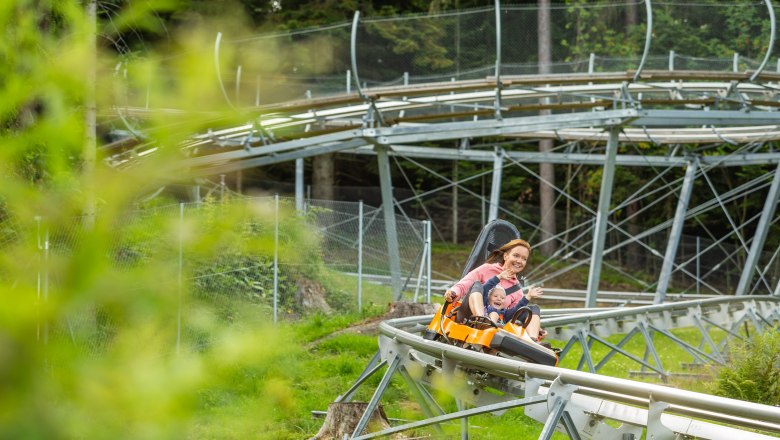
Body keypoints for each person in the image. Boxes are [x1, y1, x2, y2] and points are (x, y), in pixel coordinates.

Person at [443, 238, 544, 341]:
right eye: (516, 255)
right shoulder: (487, 269)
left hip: (495, 323)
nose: (519, 261)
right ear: (505, 256)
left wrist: (536, 326)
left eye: (524, 259)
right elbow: (464, 285)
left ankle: (533, 341)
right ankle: (481, 321)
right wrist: (453, 292)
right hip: (468, 318)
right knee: (478, 285)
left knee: (532, 309)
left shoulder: (517, 290)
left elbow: (513, 315)